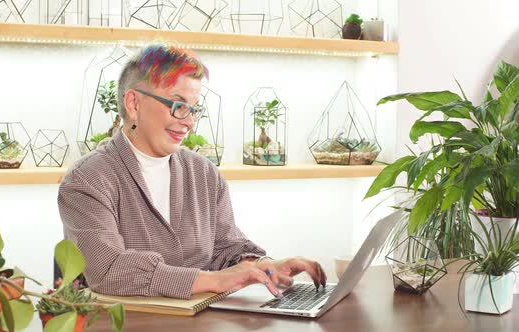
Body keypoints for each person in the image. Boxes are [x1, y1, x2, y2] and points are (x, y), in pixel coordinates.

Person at [58, 44, 326, 300]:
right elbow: (108, 270)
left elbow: (226, 247)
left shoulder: (204, 173)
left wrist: (264, 266)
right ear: (133, 104)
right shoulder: (87, 179)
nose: (188, 122)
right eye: (178, 105)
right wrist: (215, 280)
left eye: (194, 109)